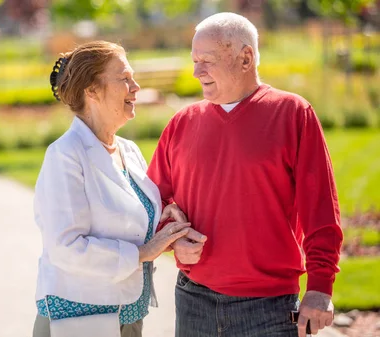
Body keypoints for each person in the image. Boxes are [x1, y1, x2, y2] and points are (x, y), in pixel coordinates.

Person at [147, 13, 343, 337]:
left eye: (206, 61)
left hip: (269, 308)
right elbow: (154, 201)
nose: (196, 72)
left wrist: (321, 286)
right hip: (192, 300)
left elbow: (322, 211)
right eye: (194, 61)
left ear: (245, 57)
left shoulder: (292, 114)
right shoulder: (182, 123)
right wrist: (173, 236)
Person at [32, 40, 198, 337]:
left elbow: (123, 218)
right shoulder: (65, 156)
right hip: (80, 321)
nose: (135, 86)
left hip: (128, 316)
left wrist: (161, 217)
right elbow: (66, 248)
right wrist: (144, 252)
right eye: (124, 78)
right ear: (92, 90)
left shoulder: (128, 150)